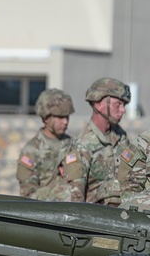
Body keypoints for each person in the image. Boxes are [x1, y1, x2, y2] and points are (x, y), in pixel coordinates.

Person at [67, 77, 131, 205]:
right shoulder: (81, 146)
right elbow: (75, 199)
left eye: (124, 105)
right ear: (98, 105)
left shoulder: (121, 137)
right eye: (118, 104)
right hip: (97, 219)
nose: (123, 110)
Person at [16, 88, 82, 201]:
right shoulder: (32, 150)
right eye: (60, 117)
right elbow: (27, 195)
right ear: (46, 118)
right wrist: (60, 192)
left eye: (67, 117)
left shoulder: (74, 146)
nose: (65, 122)